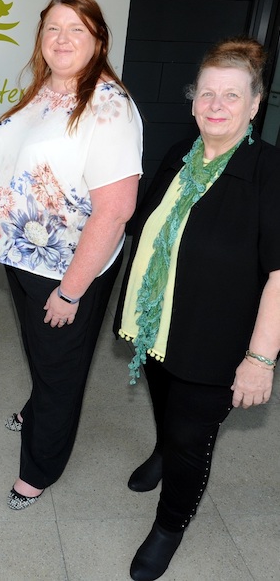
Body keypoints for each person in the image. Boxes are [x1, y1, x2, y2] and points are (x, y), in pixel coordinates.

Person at [115, 36, 280, 581]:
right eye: (206, 93)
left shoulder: (268, 173)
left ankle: (168, 527)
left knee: (193, 439)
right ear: (192, 101)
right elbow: (141, 226)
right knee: (167, 408)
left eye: (231, 96)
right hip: (160, 326)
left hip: (216, 342)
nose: (215, 105)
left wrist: (260, 360)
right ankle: (164, 448)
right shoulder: (178, 158)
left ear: (255, 104)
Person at [0, 0, 143, 510]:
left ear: (98, 40)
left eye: (77, 28)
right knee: (41, 353)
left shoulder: (108, 105)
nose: (63, 38)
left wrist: (71, 292)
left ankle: (39, 469)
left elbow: (115, 210)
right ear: (40, 39)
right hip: (23, 260)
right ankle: (37, 407)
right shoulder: (39, 94)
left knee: (60, 371)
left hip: (69, 271)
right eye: (53, 27)